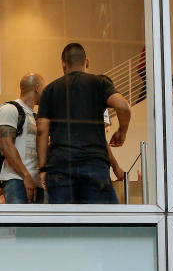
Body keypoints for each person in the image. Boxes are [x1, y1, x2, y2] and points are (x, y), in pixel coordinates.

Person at [36, 43, 131, 204]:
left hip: (60, 166)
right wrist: (122, 130)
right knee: (104, 223)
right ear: (86, 62)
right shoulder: (99, 83)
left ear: (63, 65)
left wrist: (43, 168)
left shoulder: (50, 90)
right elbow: (123, 106)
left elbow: (41, 131)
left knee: (62, 226)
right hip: (94, 164)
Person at [0, 73, 44, 204]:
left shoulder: (35, 116)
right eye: (44, 89)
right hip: (17, 180)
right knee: (17, 223)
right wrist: (26, 176)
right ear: (37, 88)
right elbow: (5, 146)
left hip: (36, 183)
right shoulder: (9, 109)